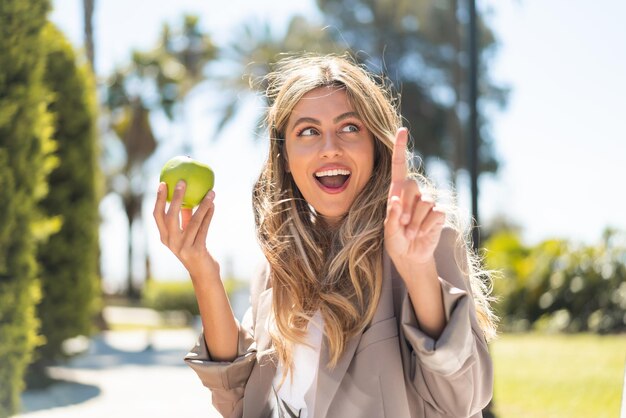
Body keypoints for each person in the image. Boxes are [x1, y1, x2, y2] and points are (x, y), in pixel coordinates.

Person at [153, 53, 497, 418]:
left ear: (376, 146)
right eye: (308, 131)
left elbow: (464, 397)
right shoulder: (277, 267)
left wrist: (417, 271)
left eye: (350, 127)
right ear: (284, 155)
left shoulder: (425, 243)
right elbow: (238, 400)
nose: (330, 146)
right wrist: (203, 273)